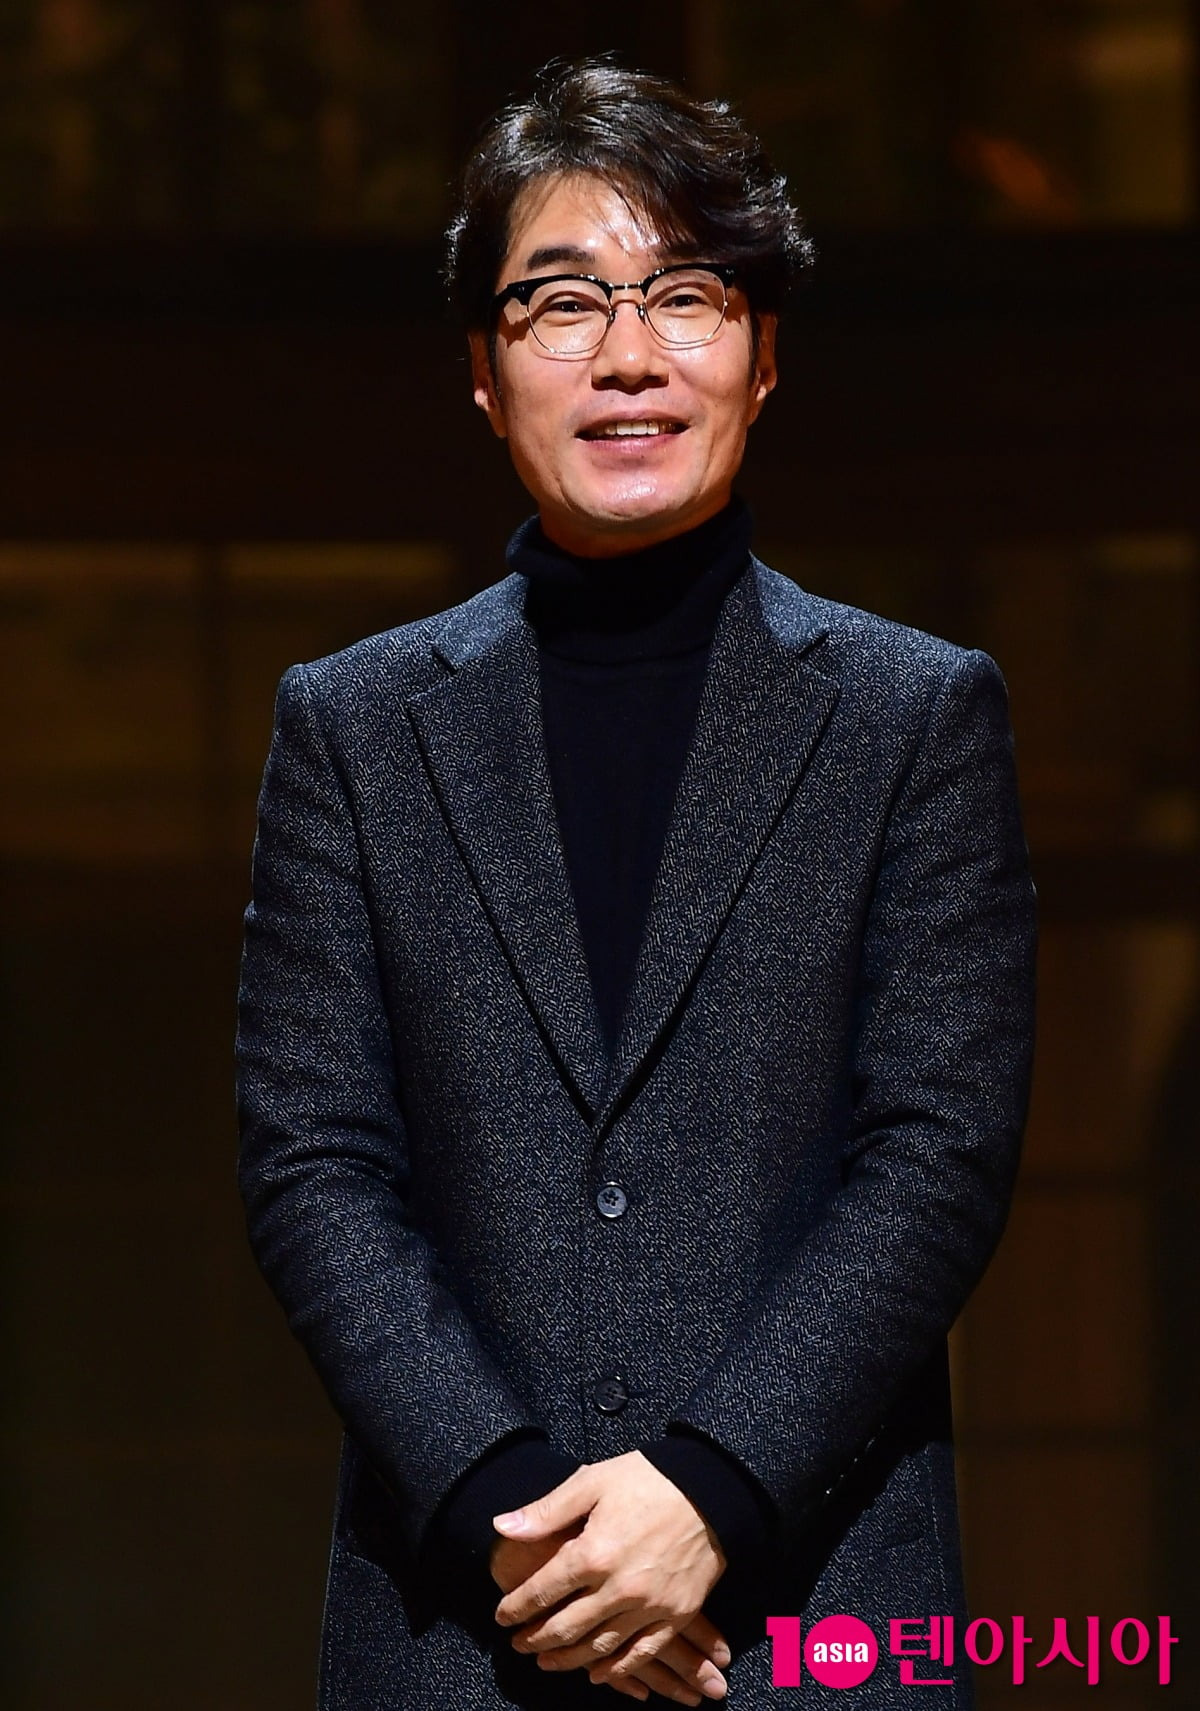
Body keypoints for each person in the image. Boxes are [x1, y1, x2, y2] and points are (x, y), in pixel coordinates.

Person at [235, 55, 1037, 1711]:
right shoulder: (353, 727)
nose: (627, 356)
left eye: (685, 295)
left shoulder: (914, 714)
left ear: (762, 356)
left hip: (815, 1616)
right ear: (483, 372)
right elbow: (313, 1163)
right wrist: (522, 1525)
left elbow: (938, 1152)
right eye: (562, 303)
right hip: (459, 1626)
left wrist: (709, 1494)